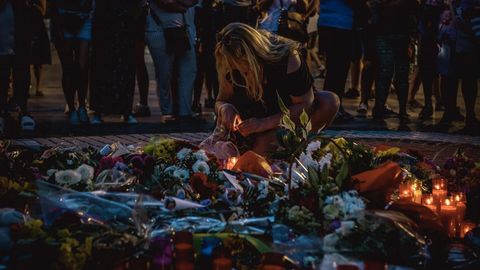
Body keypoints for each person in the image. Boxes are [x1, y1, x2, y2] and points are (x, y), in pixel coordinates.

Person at [212, 23, 339, 155]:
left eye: (244, 67)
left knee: (329, 101)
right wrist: (224, 108)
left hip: (282, 116)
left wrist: (263, 124)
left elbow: (306, 104)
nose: (240, 72)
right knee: (249, 155)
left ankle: (301, 143)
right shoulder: (229, 61)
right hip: (248, 121)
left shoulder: (286, 58)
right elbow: (221, 100)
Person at [89, 0, 147, 124]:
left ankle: (124, 111)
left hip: (125, 24)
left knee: (124, 67)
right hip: (105, 24)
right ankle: (100, 110)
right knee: (102, 67)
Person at [146, 0, 199, 122]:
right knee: (164, 74)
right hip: (159, 29)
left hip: (185, 30)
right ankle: (167, 112)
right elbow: (165, 2)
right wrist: (183, 4)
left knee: (189, 70)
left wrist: (178, 4)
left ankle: (185, 111)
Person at [369, 0, 419, 123]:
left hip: (401, 34)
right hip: (386, 33)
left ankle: (399, 111)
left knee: (399, 74)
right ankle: (383, 110)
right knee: (387, 73)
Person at [50, 0, 93, 125]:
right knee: (68, 66)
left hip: (84, 16)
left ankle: (81, 106)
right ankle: (72, 107)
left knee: (82, 66)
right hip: (62, 18)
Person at [440, 0, 479, 130]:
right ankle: (450, 112)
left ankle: (469, 114)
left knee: (468, 79)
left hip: (466, 40)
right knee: (449, 79)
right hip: (451, 40)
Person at [0, 0, 37, 133]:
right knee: (6, 68)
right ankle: (10, 110)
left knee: (20, 68)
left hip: (18, 14)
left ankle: (22, 109)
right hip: (10, 13)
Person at [317, 0, 355, 122]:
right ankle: (333, 109)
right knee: (339, 70)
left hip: (326, 21)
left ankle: (331, 107)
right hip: (341, 24)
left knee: (333, 69)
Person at [193, 0, 221, 113]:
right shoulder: (215, 8)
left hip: (205, 36)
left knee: (201, 71)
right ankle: (214, 101)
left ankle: (196, 102)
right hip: (210, 37)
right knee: (212, 72)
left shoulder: (200, 9)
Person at [133, 3, 151, 118]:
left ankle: (143, 103)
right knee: (138, 61)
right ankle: (143, 103)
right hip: (136, 13)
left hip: (136, 15)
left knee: (137, 61)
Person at [30, 0, 50, 98]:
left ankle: (38, 87)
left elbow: (43, 11)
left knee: (37, 61)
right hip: (26, 24)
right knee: (25, 60)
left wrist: (32, 6)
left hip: (37, 26)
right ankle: (26, 86)